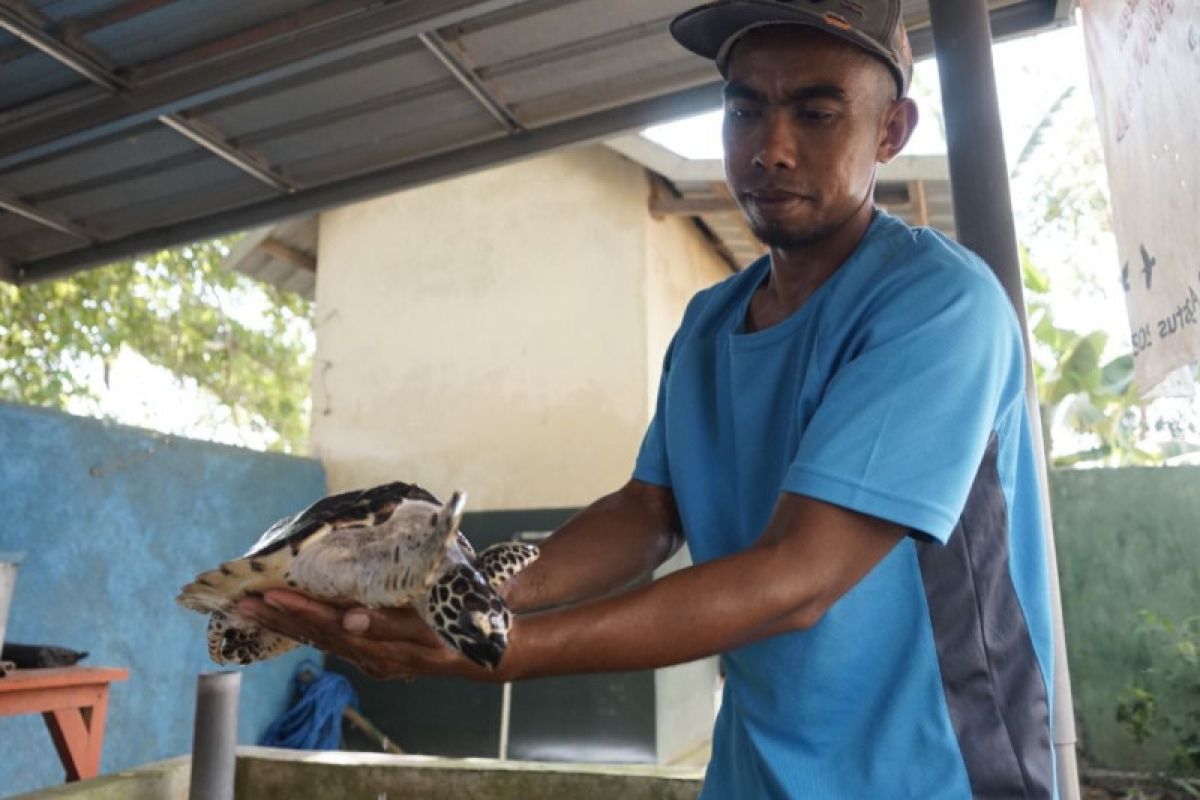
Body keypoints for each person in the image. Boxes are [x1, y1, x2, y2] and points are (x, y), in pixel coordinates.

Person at [240, 1, 1058, 797]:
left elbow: (796, 578)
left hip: (932, 777)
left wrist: (502, 649)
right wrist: (478, 592)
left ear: (891, 131)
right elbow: (647, 514)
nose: (770, 148)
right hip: (754, 771)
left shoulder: (937, 304)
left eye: (815, 114)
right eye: (745, 109)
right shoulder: (710, 323)